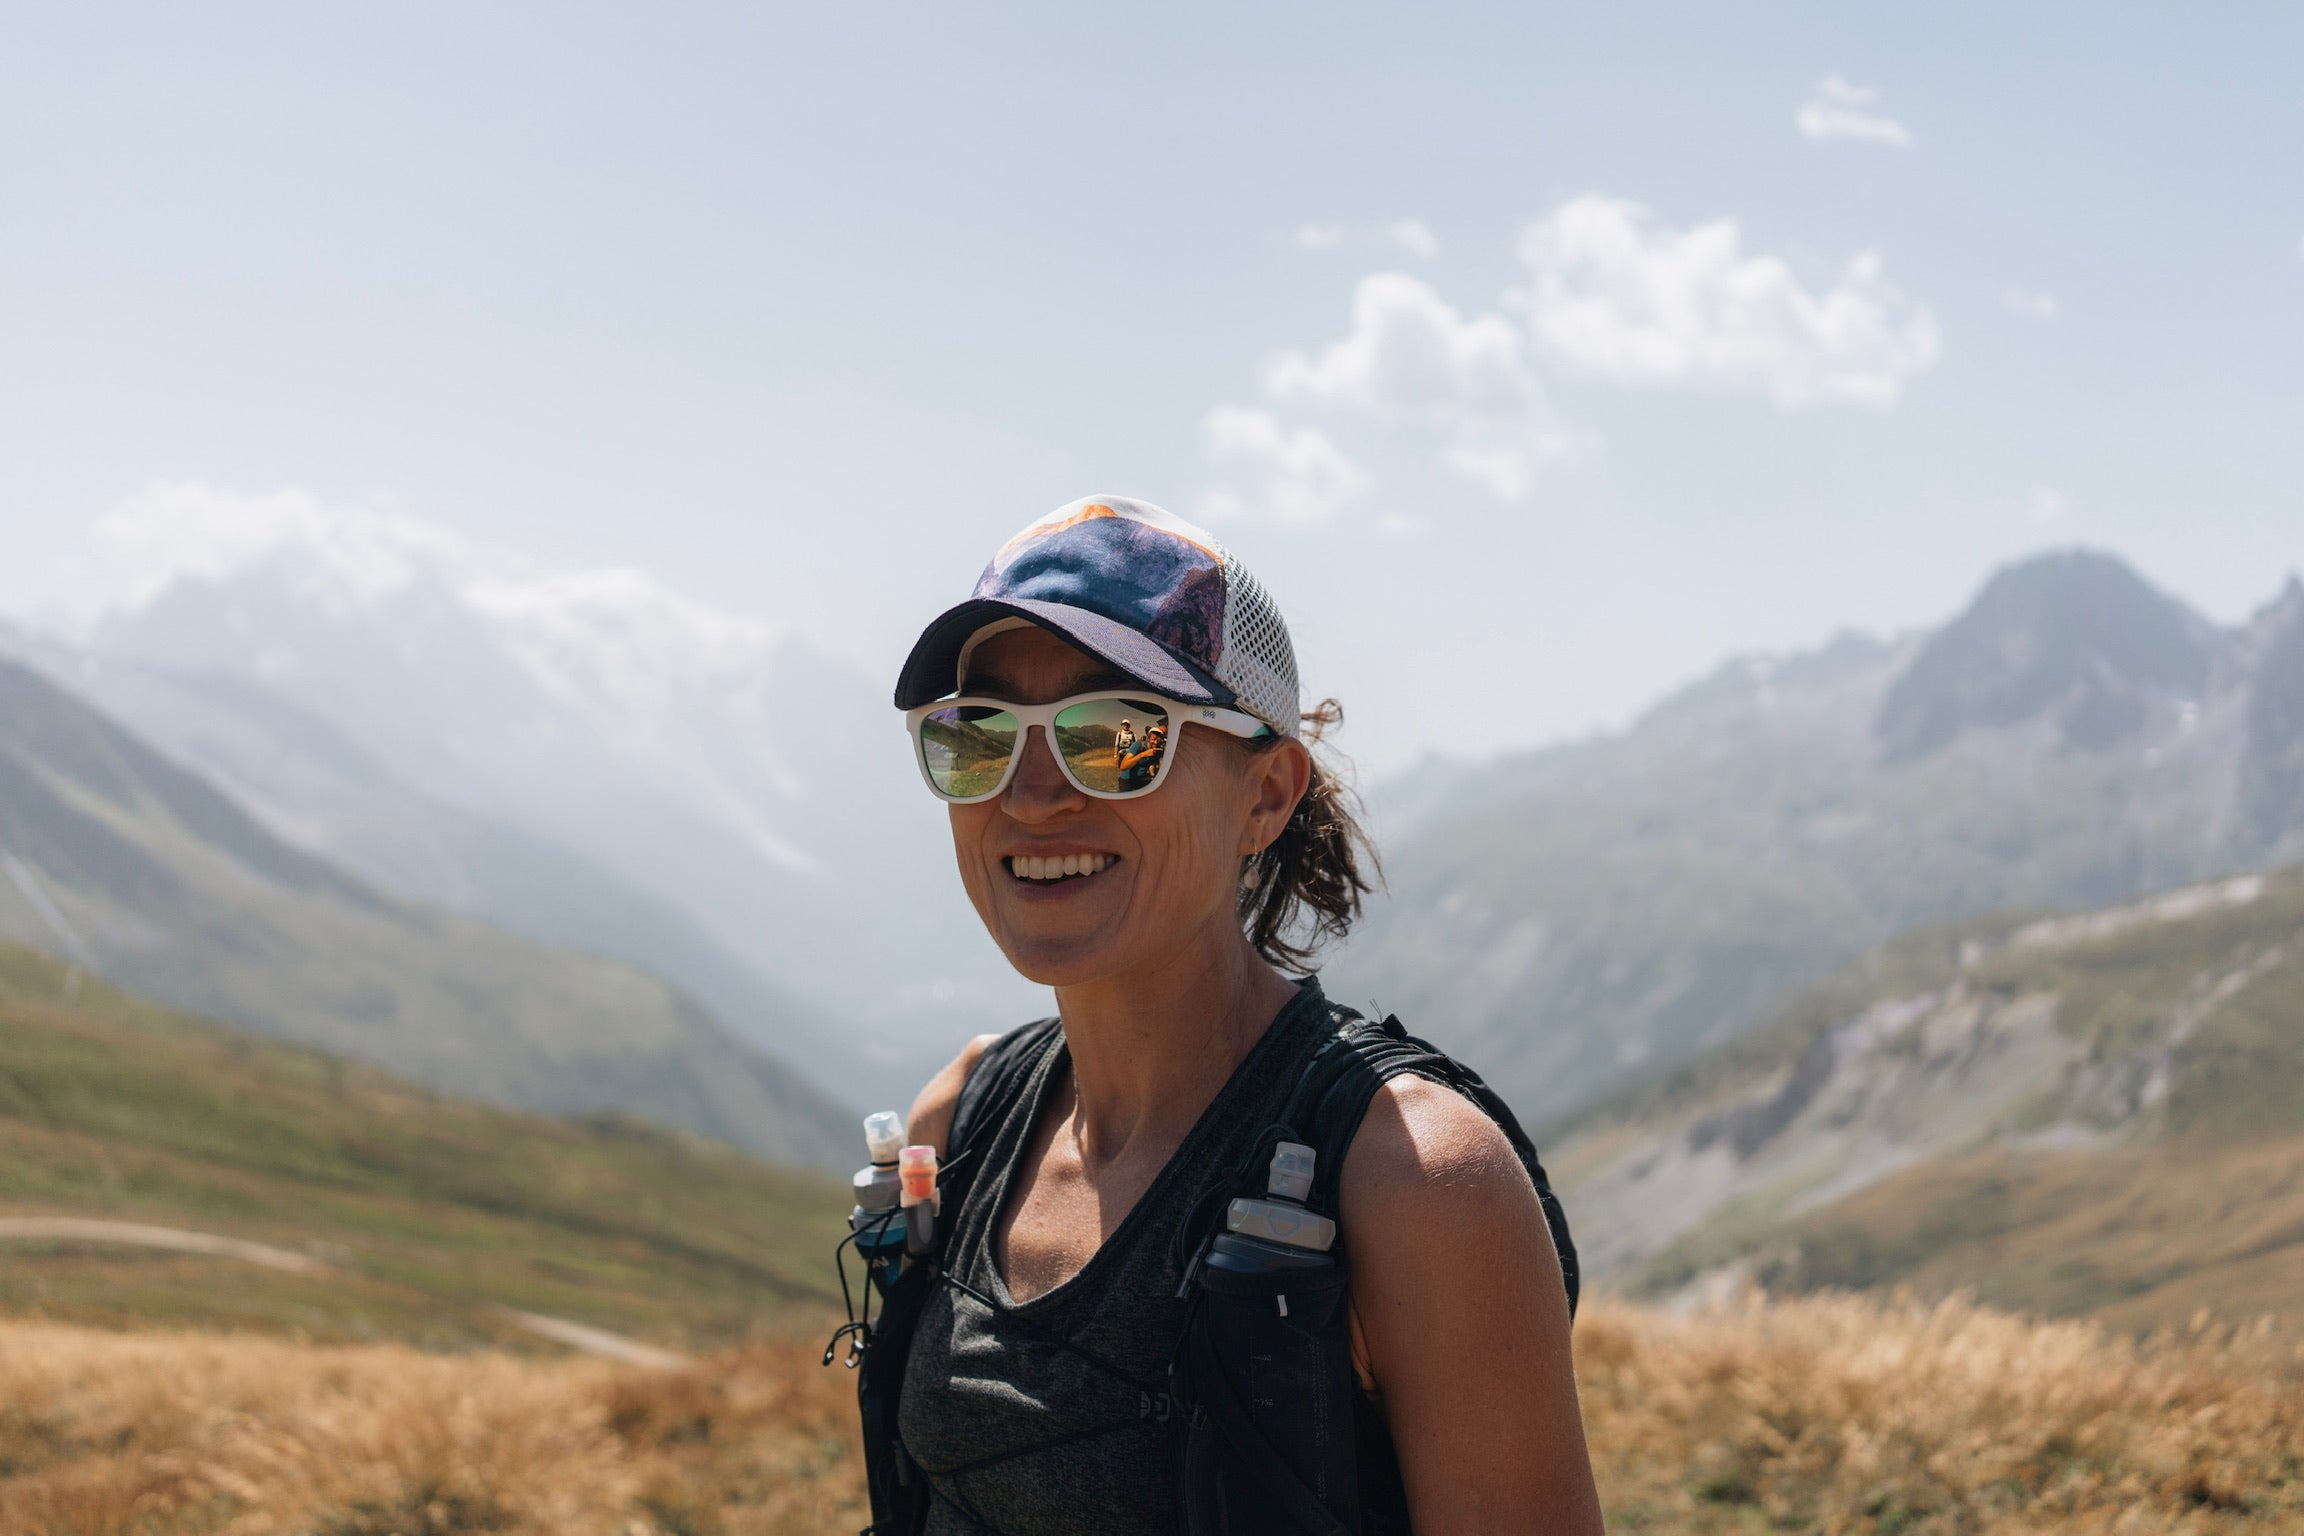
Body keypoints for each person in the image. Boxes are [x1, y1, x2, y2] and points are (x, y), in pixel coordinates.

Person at [879, 496, 1602, 1535]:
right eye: (977, 734)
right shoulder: (960, 1121)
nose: (1031, 795)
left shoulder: (1415, 1183)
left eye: (1117, 736)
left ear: (1265, 794)